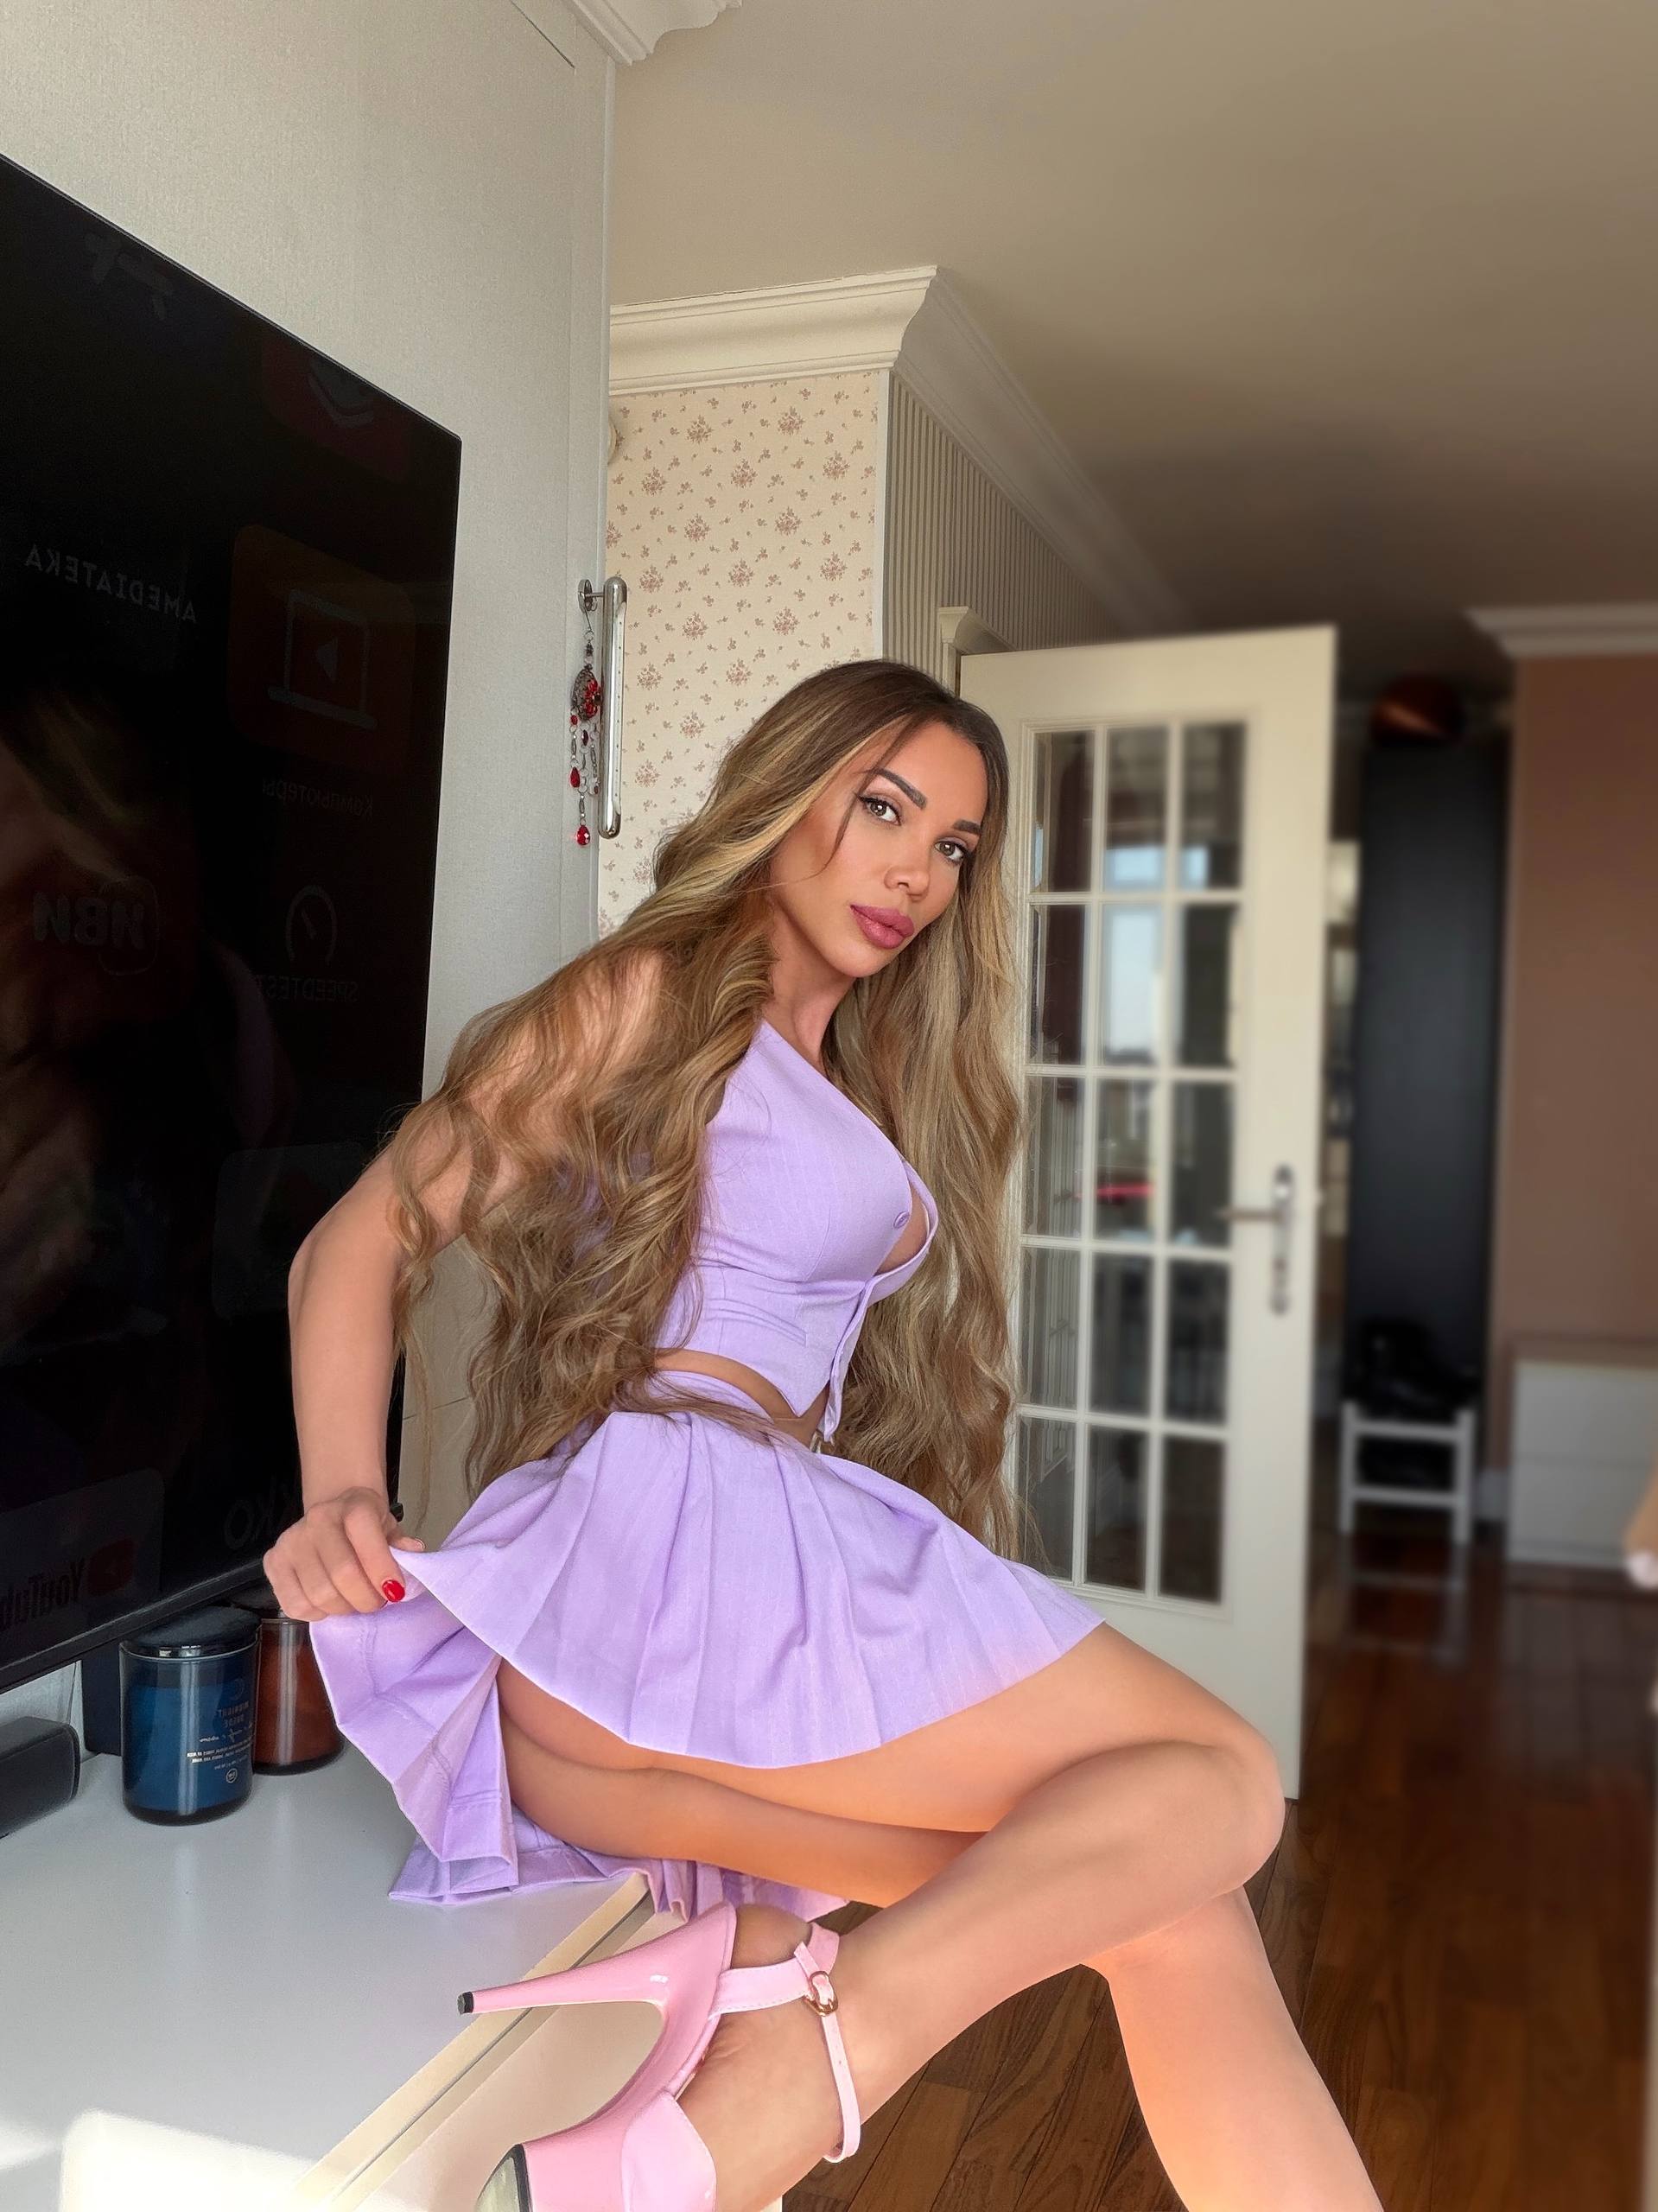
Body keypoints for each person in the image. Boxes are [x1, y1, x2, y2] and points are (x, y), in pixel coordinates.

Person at [267, 661, 1383, 2212]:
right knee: (1222, 1772)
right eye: (884, 809)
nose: (917, 870)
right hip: (667, 1568)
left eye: (955, 846)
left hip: (647, 1671)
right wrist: (341, 1492)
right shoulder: (652, 994)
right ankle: (801, 2072)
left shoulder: (836, 1064)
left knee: (1174, 1900)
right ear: (785, 797)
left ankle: (744, 2094)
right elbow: (365, 1234)